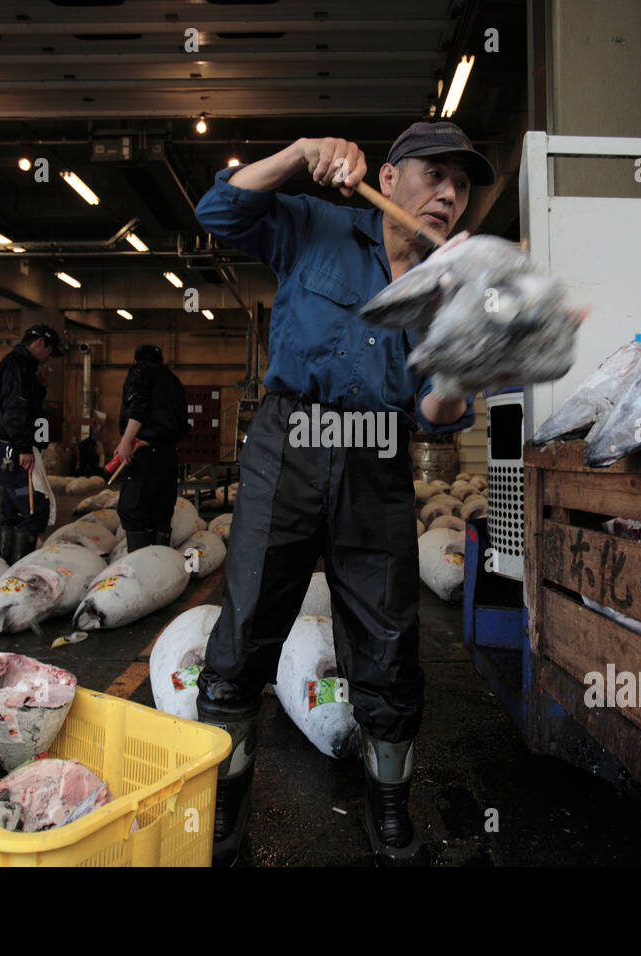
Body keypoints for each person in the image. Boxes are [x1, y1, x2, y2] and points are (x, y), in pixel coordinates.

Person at [191, 121, 488, 866]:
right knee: (247, 624)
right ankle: (224, 816)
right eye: (433, 175)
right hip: (289, 442)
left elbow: (433, 417)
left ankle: (389, 815)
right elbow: (218, 212)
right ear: (388, 179)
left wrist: (460, 365)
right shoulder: (316, 223)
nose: (448, 194)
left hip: (376, 456)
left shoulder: (446, 288)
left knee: (389, 637)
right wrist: (298, 153)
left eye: (461, 185)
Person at [0, 324, 65, 563]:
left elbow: (24, 405)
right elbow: (15, 409)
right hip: (16, 448)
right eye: (49, 351)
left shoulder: (16, 366)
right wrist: (23, 447)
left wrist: (39, 387)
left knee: (12, 509)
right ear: (40, 343)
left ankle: (6, 567)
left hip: (8, 446)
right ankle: (19, 570)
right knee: (34, 510)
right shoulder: (18, 366)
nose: (48, 358)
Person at [111, 345, 190, 552]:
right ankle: (159, 562)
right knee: (161, 510)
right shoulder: (173, 380)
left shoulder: (141, 372)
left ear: (137, 360)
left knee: (132, 508)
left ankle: (140, 564)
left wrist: (126, 441)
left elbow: (138, 406)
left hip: (144, 450)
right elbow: (183, 422)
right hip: (168, 454)